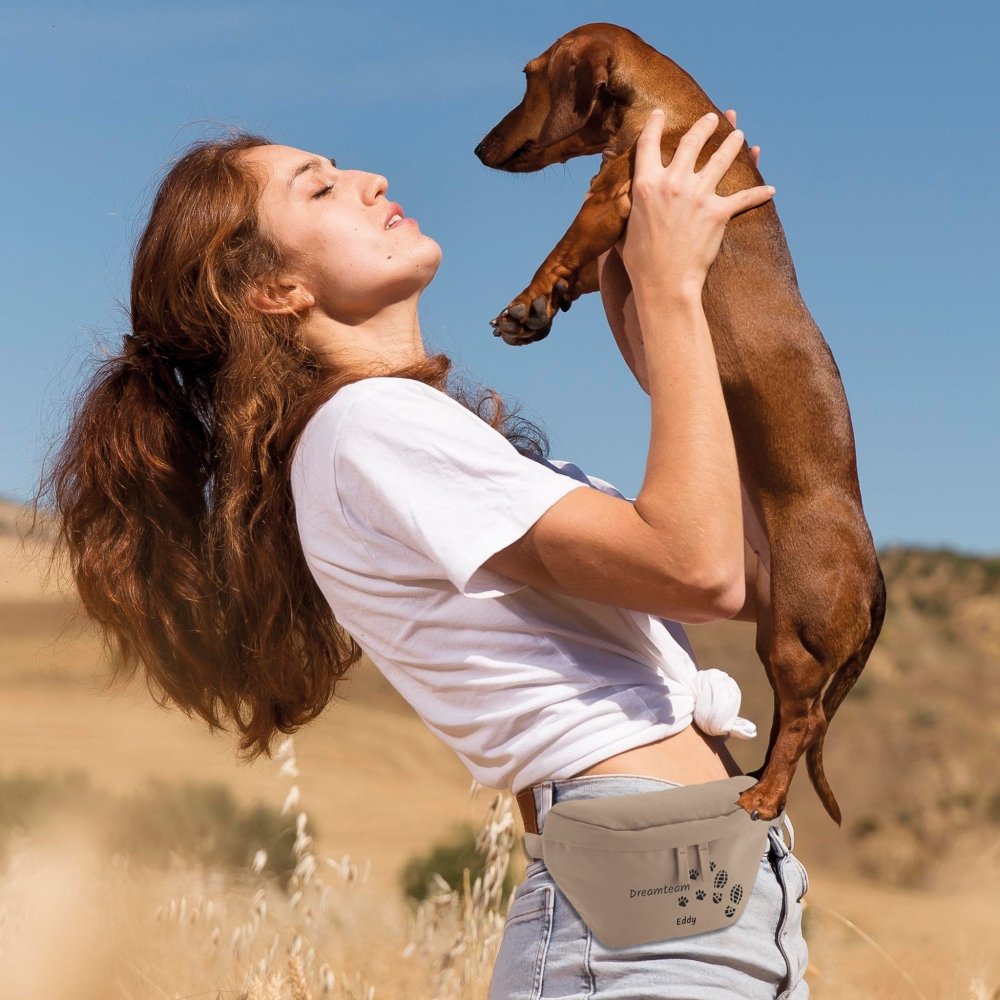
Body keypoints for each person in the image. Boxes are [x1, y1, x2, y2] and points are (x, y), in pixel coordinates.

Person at [40, 105, 809, 999]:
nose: (373, 180)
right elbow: (698, 570)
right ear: (273, 289)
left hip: (693, 897)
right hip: (644, 913)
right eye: (319, 186)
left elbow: (763, 575)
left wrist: (661, 350)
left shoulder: (415, 437)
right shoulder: (367, 427)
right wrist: (673, 291)